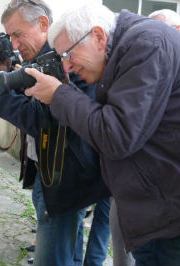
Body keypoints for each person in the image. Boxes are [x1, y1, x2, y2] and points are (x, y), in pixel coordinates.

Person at [23, 3, 180, 265]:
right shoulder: (133, 45)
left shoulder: (147, 44)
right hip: (158, 206)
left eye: (68, 55)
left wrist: (59, 95)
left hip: (168, 214)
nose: (68, 68)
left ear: (98, 35)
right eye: (62, 59)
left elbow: (117, 136)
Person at [0, 1, 111, 265]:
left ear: (43, 24)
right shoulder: (38, 60)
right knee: (67, 253)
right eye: (9, 37)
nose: (13, 44)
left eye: (17, 34)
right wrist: (5, 79)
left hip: (66, 179)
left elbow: (44, 121)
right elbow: (31, 105)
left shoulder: (67, 60)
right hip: (50, 173)